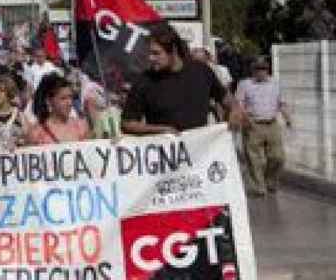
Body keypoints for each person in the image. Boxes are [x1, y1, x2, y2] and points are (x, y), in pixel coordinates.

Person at [122, 22, 244, 135]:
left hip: (202, 153)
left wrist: (235, 108)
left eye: (156, 53)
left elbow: (226, 99)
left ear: (173, 50)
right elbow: (127, 123)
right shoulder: (144, 81)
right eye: (149, 53)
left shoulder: (201, 71)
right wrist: (160, 130)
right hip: (165, 154)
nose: (150, 58)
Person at [236, 57, 291, 196]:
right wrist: (244, 119)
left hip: (272, 124)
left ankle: (269, 181)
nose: (261, 72)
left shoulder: (276, 84)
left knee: (278, 157)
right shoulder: (245, 84)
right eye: (258, 69)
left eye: (264, 69)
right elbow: (239, 104)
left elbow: (282, 103)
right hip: (253, 124)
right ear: (253, 70)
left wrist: (287, 118)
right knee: (254, 159)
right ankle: (259, 187)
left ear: (268, 70)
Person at [25, 73, 90, 145]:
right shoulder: (36, 133)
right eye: (63, 98)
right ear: (49, 101)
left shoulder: (81, 126)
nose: (69, 103)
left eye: (71, 97)